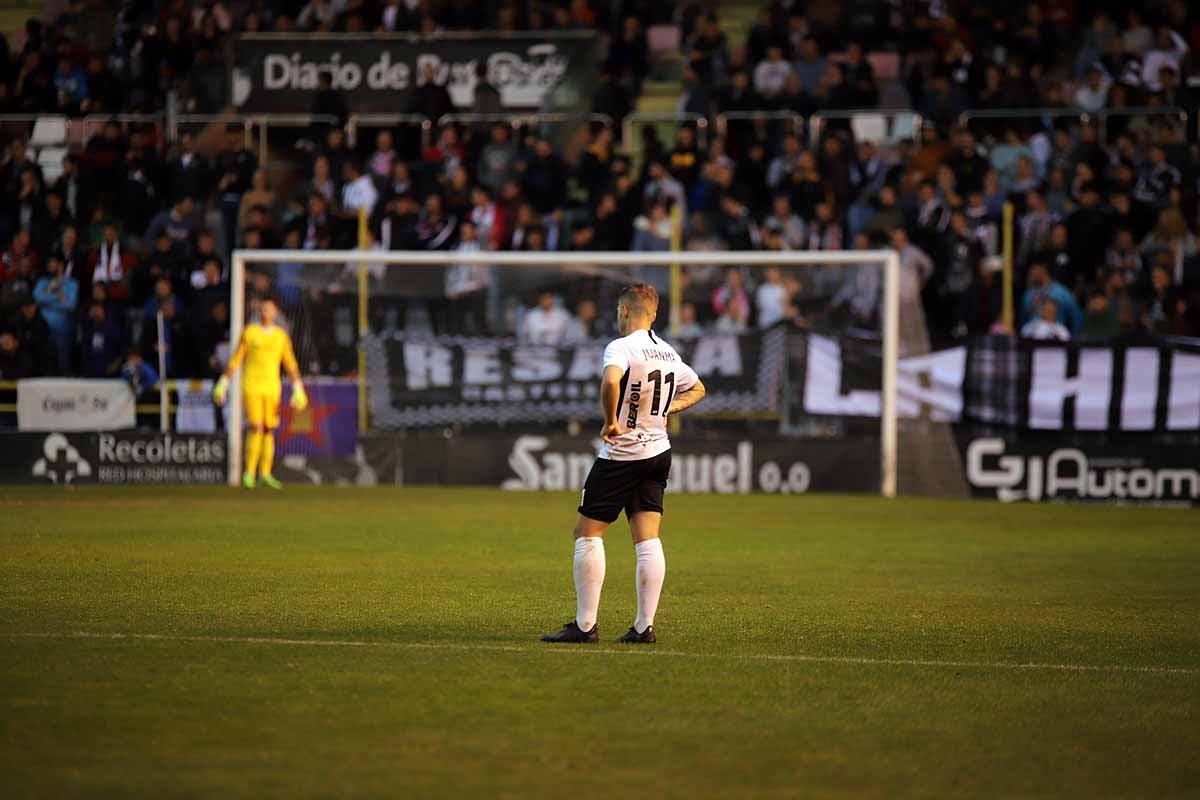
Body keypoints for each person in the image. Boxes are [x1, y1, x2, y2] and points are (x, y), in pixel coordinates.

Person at [541, 284, 706, 645]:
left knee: (587, 532)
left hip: (623, 453)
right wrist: (668, 409)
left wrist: (610, 420)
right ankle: (644, 627)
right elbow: (698, 389)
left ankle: (585, 627)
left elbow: (611, 380)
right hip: (658, 452)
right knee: (647, 539)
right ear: (655, 314)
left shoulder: (620, 347)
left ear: (627, 311)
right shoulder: (668, 352)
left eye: (619, 311)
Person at [212, 296, 308, 490]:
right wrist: (223, 383)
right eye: (263, 309)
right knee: (256, 426)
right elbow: (236, 359)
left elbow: (290, 364)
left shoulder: (281, 336)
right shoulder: (250, 332)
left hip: (272, 387)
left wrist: (298, 388)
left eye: (269, 309)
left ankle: (265, 473)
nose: (266, 313)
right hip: (252, 385)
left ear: (275, 313)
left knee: (269, 429)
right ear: (259, 312)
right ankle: (249, 472)